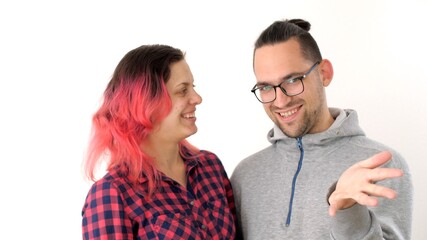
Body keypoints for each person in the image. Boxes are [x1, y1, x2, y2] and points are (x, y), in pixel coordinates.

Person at [230, 19, 412, 239]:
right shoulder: (245, 175)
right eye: (266, 87)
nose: (280, 101)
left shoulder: (380, 165)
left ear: (324, 73)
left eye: (293, 80)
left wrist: (348, 211)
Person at [81, 44, 236, 239]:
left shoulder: (209, 167)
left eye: (193, 87)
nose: (197, 98)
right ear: (146, 104)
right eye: (182, 91)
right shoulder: (112, 194)